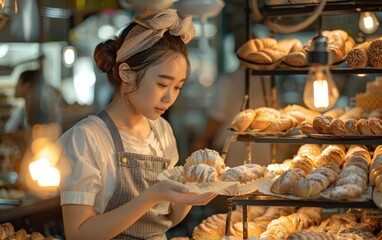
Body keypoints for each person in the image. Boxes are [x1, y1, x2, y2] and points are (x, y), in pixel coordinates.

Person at [56, 9, 216, 240]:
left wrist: (193, 194)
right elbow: (78, 234)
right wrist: (150, 196)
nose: (170, 98)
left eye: (178, 87)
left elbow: (167, 220)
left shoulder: (162, 132)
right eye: (162, 84)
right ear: (127, 74)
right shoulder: (86, 138)